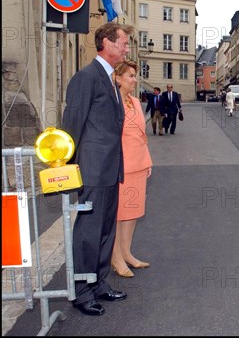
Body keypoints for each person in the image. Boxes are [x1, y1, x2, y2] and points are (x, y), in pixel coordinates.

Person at [61, 22, 133, 316]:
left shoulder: (109, 79)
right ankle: (81, 291)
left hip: (109, 169)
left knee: (104, 231)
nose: (126, 48)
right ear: (106, 43)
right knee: (88, 233)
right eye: (123, 43)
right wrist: (65, 170)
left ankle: (99, 283)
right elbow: (72, 125)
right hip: (91, 170)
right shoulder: (86, 77)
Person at [111, 60, 153, 278]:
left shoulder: (135, 102)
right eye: (130, 76)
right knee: (119, 214)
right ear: (118, 78)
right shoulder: (111, 101)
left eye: (135, 76)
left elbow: (141, 135)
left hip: (138, 163)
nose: (135, 80)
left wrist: (147, 161)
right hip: (121, 166)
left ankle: (127, 253)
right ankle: (116, 256)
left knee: (133, 212)